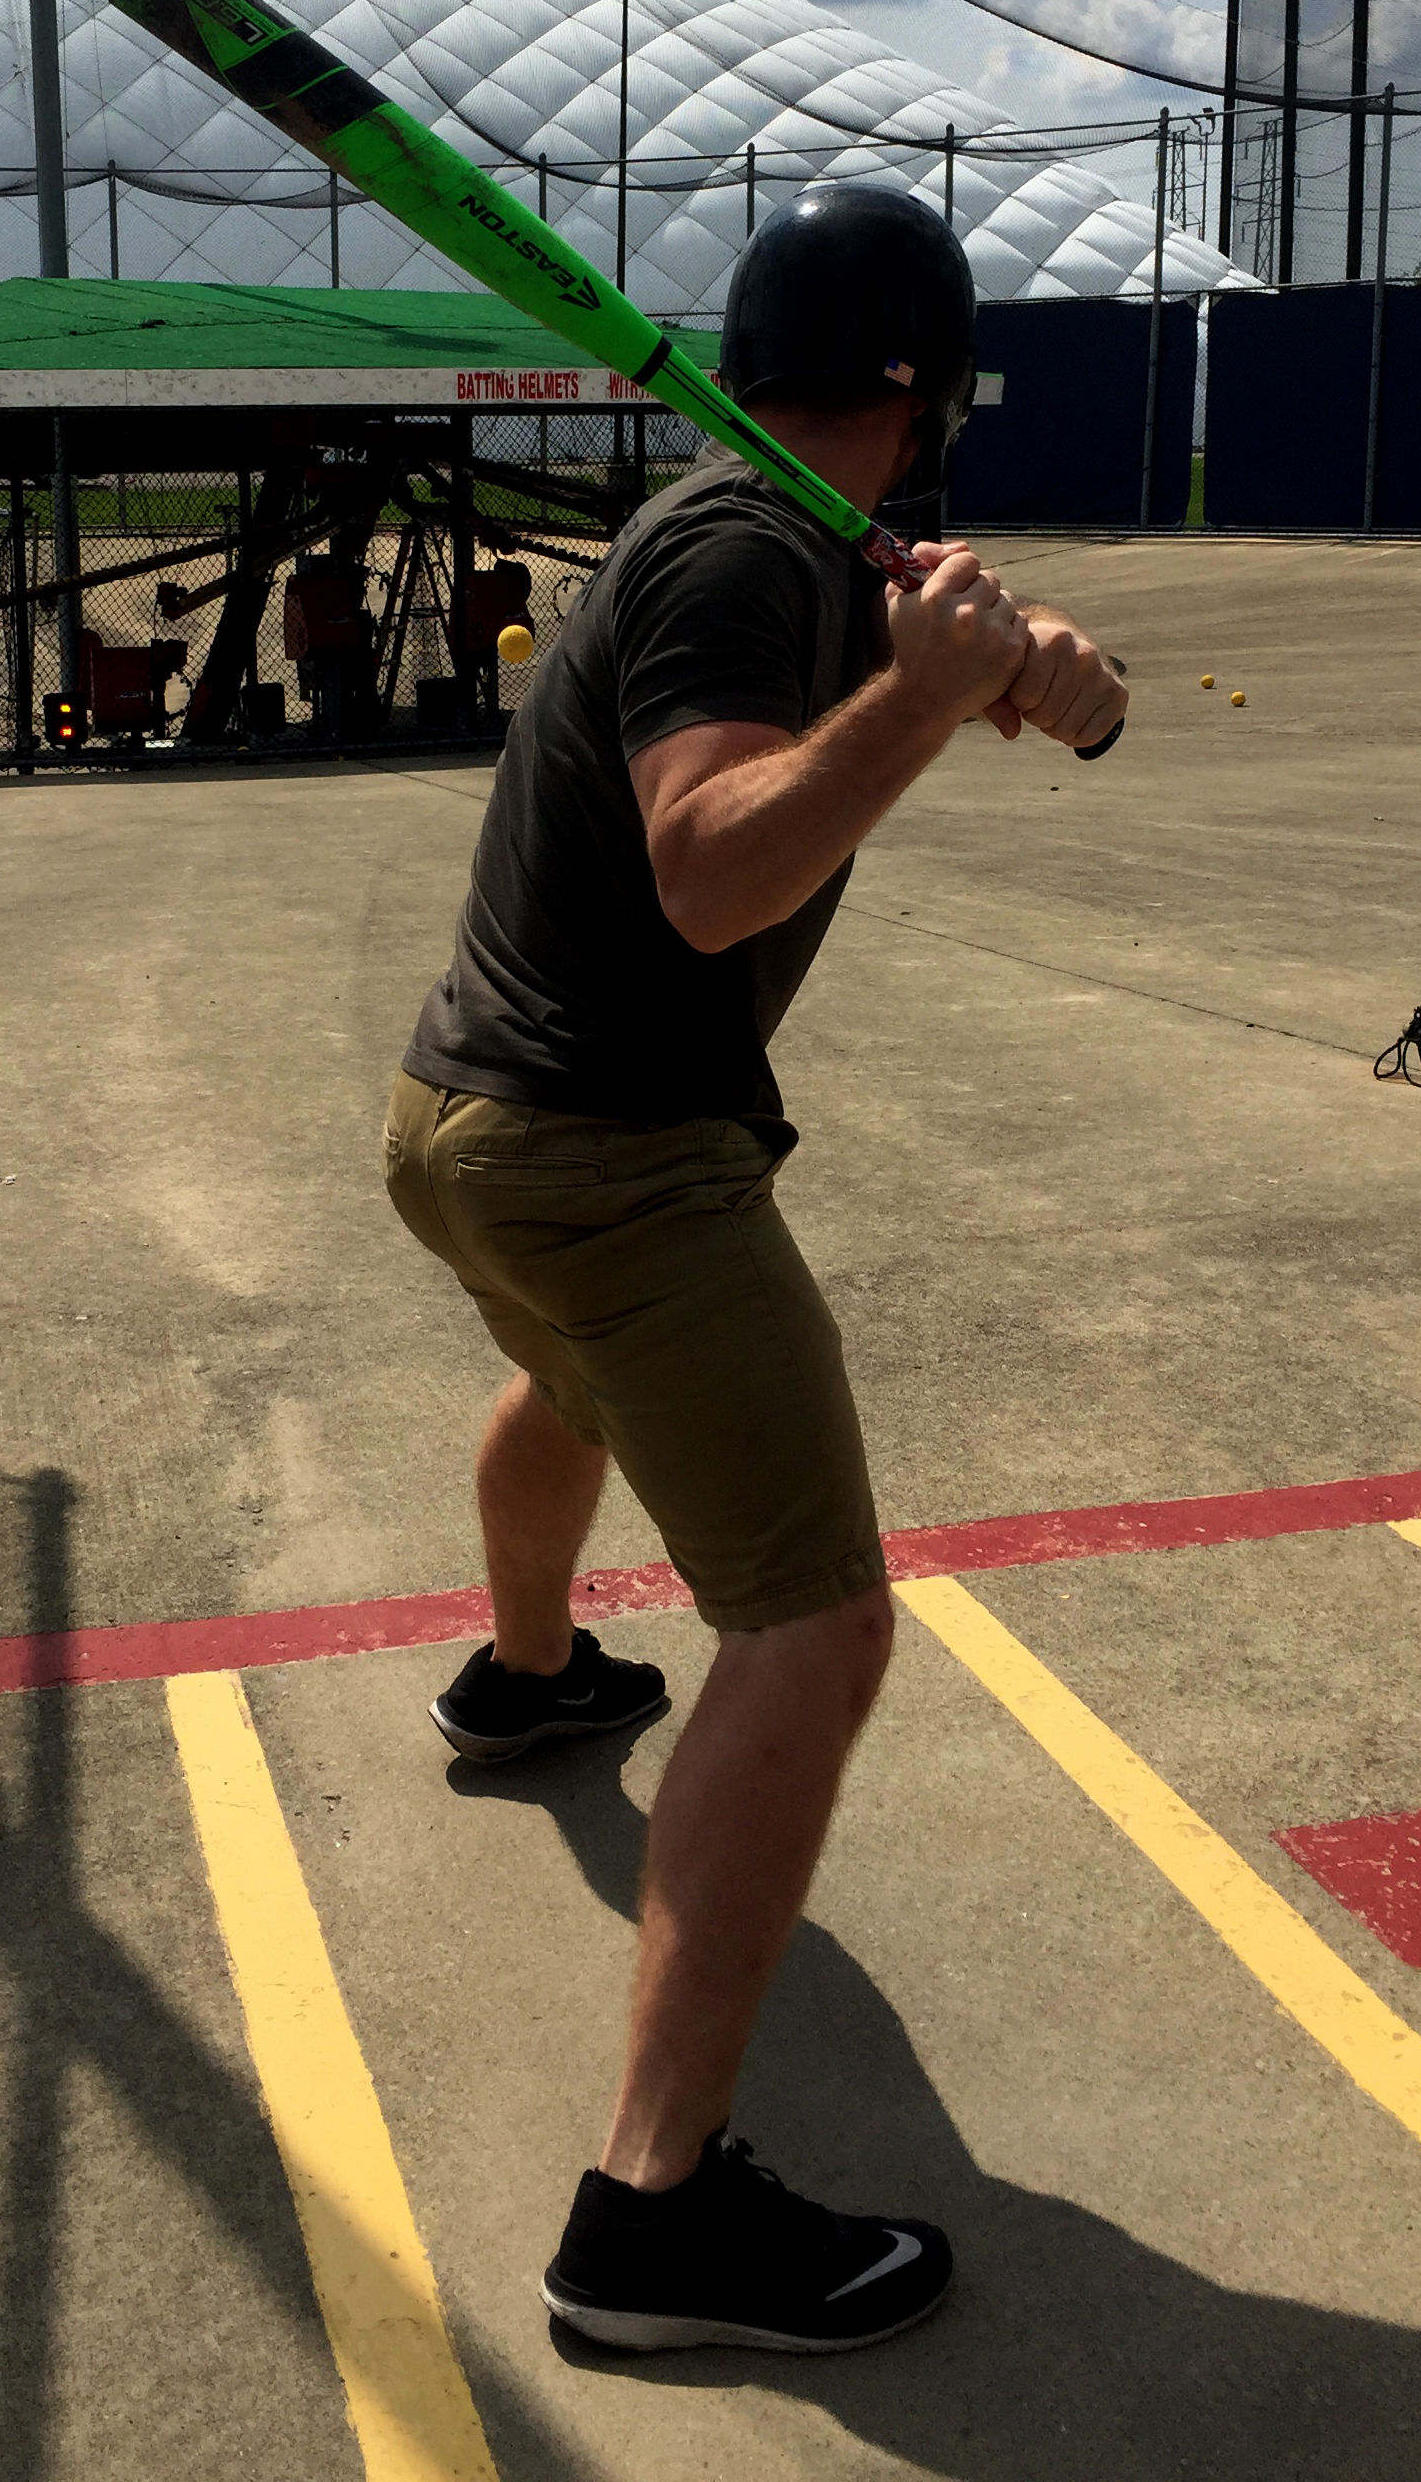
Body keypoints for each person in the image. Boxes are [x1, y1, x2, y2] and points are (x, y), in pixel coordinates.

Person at [382, 182, 1127, 2356]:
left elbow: (873, 701)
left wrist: (1036, 695)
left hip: (473, 1138)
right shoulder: (739, 548)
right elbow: (714, 867)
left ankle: (527, 1678)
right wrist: (915, 704)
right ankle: (651, 2219)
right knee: (810, 1636)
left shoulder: (775, 540)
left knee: (574, 1389)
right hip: (611, 1154)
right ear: (933, 384)